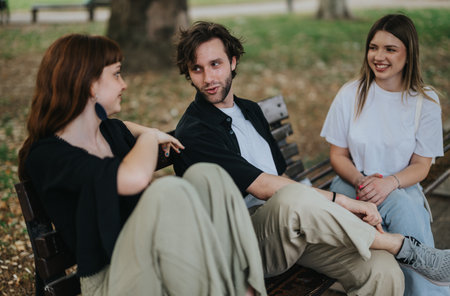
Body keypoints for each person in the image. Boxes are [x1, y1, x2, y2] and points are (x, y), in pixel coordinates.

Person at [173, 21, 450, 295]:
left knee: (382, 270)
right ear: (188, 72)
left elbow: (279, 177)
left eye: (215, 64)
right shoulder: (194, 132)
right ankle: (398, 245)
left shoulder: (249, 110)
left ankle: (391, 251)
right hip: (242, 239)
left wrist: (318, 202)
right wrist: (340, 201)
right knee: (294, 197)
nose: (208, 78)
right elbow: (263, 187)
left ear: (233, 62)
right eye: (197, 68)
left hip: (292, 226)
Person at [17, 34, 267, 296]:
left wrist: (146, 131)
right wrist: (150, 136)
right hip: (110, 280)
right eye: (115, 75)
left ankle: (248, 290)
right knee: (166, 191)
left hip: (154, 259)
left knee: (210, 175)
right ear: (90, 85)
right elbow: (132, 178)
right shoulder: (48, 155)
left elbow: (122, 127)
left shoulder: (111, 132)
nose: (124, 84)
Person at [320, 14, 449, 295]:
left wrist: (389, 183)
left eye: (390, 49)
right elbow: (338, 155)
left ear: (408, 54)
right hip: (351, 187)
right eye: (373, 47)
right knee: (403, 208)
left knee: (403, 204)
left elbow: (421, 166)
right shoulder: (350, 94)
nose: (379, 56)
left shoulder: (424, 101)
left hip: (402, 185)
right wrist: (362, 181)